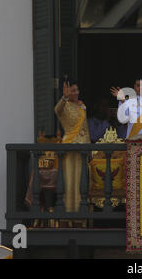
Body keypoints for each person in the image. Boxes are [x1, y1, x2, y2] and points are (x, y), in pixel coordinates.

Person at [54, 79, 90, 215]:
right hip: (70, 146)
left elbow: (85, 128)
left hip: (83, 148)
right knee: (69, 181)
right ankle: (68, 213)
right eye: (72, 90)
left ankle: (81, 214)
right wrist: (64, 97)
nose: (76, 93)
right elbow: (57, 109)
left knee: (82, 180)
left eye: (76, 90)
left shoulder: (82, 106)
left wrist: (89, 146)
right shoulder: (65, 106)